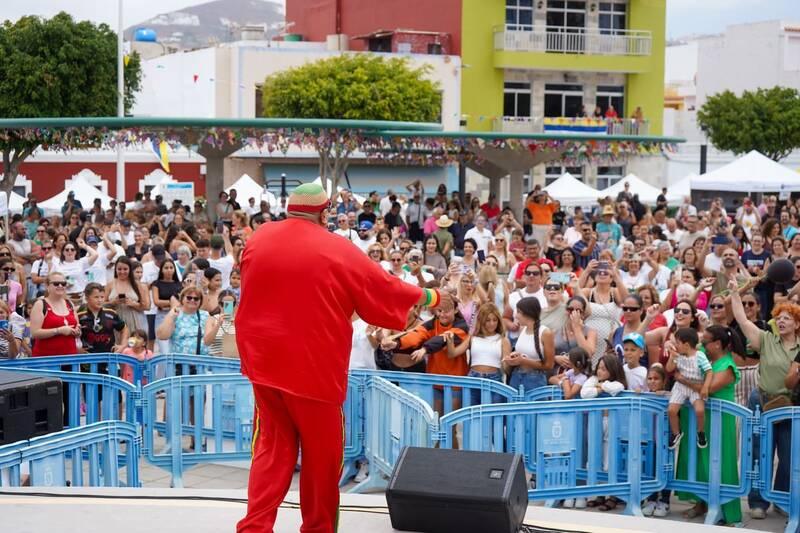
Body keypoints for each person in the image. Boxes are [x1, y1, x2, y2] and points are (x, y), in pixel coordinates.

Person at [235, 183, 442, 533]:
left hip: (264, 364)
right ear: (325, 212)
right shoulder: (336, 247)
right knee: (321, 457)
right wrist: (430, 295)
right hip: (312, 369)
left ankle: (255, 527)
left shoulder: (260, 237)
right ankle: (317, 527)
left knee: (272, 448)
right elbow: (382, 287)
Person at [729, 278, 796, 520]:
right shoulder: (766, 339)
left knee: (789, 456)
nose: (781, 320)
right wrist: (736, 293)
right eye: (779, 317)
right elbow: (742, 320)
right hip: (763, 401)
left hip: (790, 406)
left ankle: (781, 499)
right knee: (760, 452)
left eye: (787, 317)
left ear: (797, 323)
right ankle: (758, 502)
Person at [674, 325, 743, 524]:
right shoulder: (706, 359)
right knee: (699, 461)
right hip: (701, 419)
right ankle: (701, 502)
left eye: (705, 342)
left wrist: (682, 379)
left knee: (722, 463)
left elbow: (709, 390)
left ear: (717, 344)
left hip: (721, 422)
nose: (701, 345)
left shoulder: (727, 365)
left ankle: (728, 511)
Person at [666, 327, 712, 450]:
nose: (676, 345)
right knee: (671, 410)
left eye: (678, 343)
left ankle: (701, 432)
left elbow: (709, 371)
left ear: (686, 345)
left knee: (700, 411)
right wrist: (672, 357)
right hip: (680, 387)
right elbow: (669, 369)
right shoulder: (678, 355)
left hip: (695, 386)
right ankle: (676, 433)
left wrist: (705, 387)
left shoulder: (699, 355)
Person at [504, 297, 554, 393]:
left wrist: (523, 361)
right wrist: (513, 358)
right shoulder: (522, 330)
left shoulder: (545, 332)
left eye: (519, 312)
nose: (516, 316)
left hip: (535, 380)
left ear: (527, 313)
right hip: (516, 376)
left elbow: (549, 365)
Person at [465, 303, 510, 405]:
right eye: (488, 320)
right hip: (473, 378)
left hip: (494, 379)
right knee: (472, 414)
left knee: (494, 416)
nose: (492, 324)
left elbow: (507, 368)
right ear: (482, 321)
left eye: (495, 320)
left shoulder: (503, 340)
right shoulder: (473, 338)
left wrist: (508, 362)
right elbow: (456, 352)